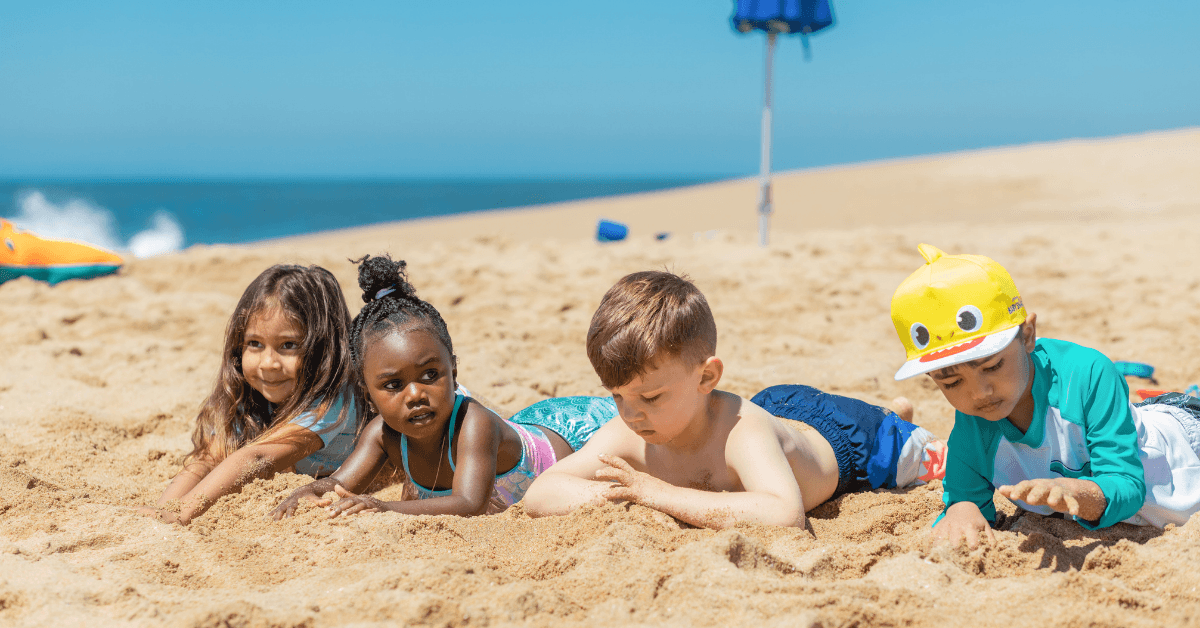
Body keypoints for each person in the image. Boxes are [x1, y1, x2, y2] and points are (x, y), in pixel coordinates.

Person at [522, 270, 946, 530]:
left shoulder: (743, 434)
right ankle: (893, 410)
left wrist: (655, 494)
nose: (632, 414)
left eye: (650, 397)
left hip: (847, 439)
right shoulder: (628, 431)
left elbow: (784, 515)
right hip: (775, 412)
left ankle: (894, 419)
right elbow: (542, 493)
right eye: (617, 397)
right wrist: (624, 499)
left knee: (927, 459)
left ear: (706, 376)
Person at [889, 244, 1200, 548]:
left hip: (1185, 444)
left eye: (993, 365)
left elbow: (1128, 486)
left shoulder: (1087, 374)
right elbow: (964, 497)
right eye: (952, 382)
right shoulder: (973, 422)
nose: (979, 392)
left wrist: (1079, 494)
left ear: (1027, 335)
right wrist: (962, 510)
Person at [270, 255, 615, 519]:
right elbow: (340, 484)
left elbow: (469, 503)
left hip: (577, 433)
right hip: (529, 424)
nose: (416, 394)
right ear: (367, 392)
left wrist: (383, 507)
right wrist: (309, 492)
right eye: (393, 385)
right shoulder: (381, 434)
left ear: (454, 368)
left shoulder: (473, 423)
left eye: (430, 375)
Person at [141, 264, 357, 524]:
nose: (268, 363)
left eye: (288, 345)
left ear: (324, 350)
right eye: (255, 344)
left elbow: (259, 456)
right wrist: (162, 510)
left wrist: (181, 513)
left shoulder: (333, 400)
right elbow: (207, 460)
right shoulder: (249, 396)